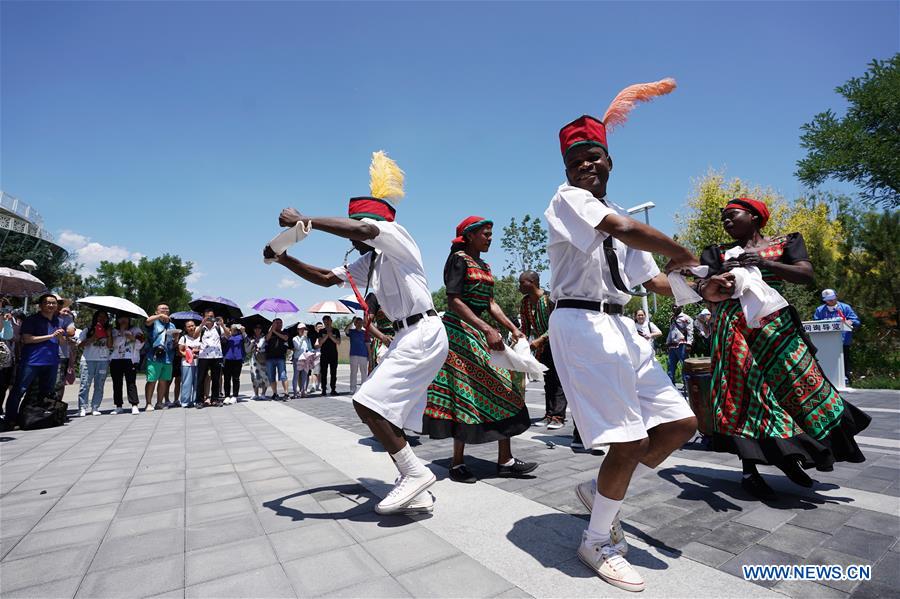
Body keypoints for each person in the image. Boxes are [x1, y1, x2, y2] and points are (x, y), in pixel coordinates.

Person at [546, 95, 699, 591]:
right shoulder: (568, 200)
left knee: (679, 424)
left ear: (610, 161)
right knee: (628, 440)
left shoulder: (612, 209)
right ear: (566, 169)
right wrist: (685, 253)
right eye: (575, 161)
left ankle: (599, 489)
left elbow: (651, 282)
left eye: (593, 157)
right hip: (580, 323)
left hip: (620, 327)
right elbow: (625, 229)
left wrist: (702, 285)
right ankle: (596, 541)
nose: (585, 165)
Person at [264, 150, 448, 515]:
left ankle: (415, 474)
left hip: (423, 330)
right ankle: (416, 487)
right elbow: (326, 278)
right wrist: (283, 256)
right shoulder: (371, 260)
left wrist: (305, 221)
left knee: (366, 402)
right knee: (381, 412)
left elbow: (363, 229)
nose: (350, 239)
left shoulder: (395, 236)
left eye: (354, 227)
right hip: (405, 335)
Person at [698, 198, 871, 499]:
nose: (725, 220)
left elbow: (805, 274)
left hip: (776, 327)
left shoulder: (785, 243)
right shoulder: (717, 252)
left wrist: (763, 263)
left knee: (799, 385)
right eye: (722, 217)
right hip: (734, 328)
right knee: (746, 396)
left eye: (732, 214)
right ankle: (750, 471)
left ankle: (794, 456)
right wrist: (715, 284)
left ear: (754, 216)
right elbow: (704, 291)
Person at [422, 217, 535, 484]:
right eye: (485, 234)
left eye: (491, 234)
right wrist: (486, 328)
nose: (490, 238)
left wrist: (512, 328)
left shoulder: (484, 265)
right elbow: (454, 301)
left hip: (478, 330)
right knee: (462, 392)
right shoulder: (458, 260)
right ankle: (457, 462)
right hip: (459, 333)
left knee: (507, 387)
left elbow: (491, 302)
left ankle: (505, 460)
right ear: (470, 235)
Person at [3, 294, 69, 429]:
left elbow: (62, 342)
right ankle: (10, 419)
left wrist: (60, 336)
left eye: (53, 303)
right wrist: (50, 336)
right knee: (19, 390)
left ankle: (38, 418)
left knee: (47, 392)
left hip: (51, 361)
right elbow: (26, 339)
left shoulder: (59, 321)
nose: (51, 305)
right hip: (32, 361)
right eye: (47, 303)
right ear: (40, 306)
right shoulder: (31, 320)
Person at [519, 270, 567, 431]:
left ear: (532, 282)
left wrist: (541, 339)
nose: (519, 286)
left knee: (558, 380)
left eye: (522, 282)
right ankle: (549, 414)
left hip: (557, 344)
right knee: (548, 381)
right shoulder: (525, 302)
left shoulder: (549, 299)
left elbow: (556, 324)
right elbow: (525, 327)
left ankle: (558, 416)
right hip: (542, 349)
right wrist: (520, 339)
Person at [813, 289, 861, 385]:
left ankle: (846, 379)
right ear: (824, 300)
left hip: (843, 342)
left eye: (832, 298)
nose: (831, 301)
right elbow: (815, 324)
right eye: (828, 299)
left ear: (836, 297)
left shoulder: (845, 307)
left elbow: (856, 321)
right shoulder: (820, 310)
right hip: (825, 343)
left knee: (844, 361)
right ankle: (826, 381)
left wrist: (850, 322)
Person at [76, 310, 113, 416]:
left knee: (99, 385)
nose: (102, 319)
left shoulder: (109, 330)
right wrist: (93, 338)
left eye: (104, 317)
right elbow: (79, 345)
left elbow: (110, 346)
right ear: (95, 318)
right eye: (99, 316)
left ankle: (95, 407)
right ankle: (82, 408)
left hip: (103, 361)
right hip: (88, 360)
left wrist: (109, 334)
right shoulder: (88, 329)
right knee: (85, 384)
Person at [144, 304, 176, 411]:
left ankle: (159, 402)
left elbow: (173, 342)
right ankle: (148, 403)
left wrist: (176, 338)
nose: (165, 310)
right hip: (154, 356)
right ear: (156, 312)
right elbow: (147, 321)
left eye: (167, 309)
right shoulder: (154, 322)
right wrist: (159, 316)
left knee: (163, 381)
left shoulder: (172, 325)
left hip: (168, 357)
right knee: (152, 380)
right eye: (162, 309)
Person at [110, 315, 144, 414]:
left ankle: (134, 404)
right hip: (116, 359)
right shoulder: (114, 331)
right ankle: (118, 405)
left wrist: (133, 338)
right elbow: (114, 345)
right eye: (121, 318)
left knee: (131, 382)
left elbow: (141, 343)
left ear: (129, 319)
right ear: (117, 320)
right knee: (117, 382)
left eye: (125, 318)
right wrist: (121, 332)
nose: (123, 320)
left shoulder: (136, 329)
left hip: (130, 359)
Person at [196, 312, 226, 407]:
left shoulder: (218, 327)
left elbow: (228, 335)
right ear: (204, 317)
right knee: (201, 379)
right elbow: (195, 335)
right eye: (207, 316)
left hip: (216, 356)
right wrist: (202, 324)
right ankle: (200, 401)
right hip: (203, 357)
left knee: (216, 379)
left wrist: (222, 325)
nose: (209, 318)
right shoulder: (202, 328)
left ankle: (215, 399)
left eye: (212, 316)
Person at [53, 298, 78, 404]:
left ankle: (56, 407)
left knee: (59, 383)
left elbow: (71, 331)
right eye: (56, 303)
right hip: (44, 354)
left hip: (61, 355)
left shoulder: (67, 319)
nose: (57, 305)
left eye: (60, 304)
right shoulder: (43, 316)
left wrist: (62, 334)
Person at [365, 294, 394, 374]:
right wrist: (383, 338)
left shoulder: (400, 296)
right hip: (383, 342)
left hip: (401, 340)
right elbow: (366, 322)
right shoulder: (374, 297)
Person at [178, 320, 202, 407]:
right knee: (186, 383)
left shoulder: (200, 337)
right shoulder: (183, 338)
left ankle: (195, 400)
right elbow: (180, 351)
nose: (191, 328)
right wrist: (190, 355)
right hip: (187, 364)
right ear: (186, 328)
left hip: (198, 363)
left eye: (193, 325)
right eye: (189, 326)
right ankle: (185, 401)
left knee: (197, 383)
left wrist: (197, 351)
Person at [665, 308, 693, 383]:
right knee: (670, 367)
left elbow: (690, 331)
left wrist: (689, 344)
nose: (674, 308)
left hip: (682, 345)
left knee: (684, 366)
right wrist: (667, 342)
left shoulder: (686, 318)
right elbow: (671, 331)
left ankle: (687, 386)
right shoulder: (672, 318)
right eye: (673, 306)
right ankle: (671, 386)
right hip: (671, 345)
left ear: (681, 306)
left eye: (676, 306)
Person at [265, 318, 290, 400]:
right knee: (271, 376)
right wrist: (272, 330)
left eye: (280, 323)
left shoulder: (284, 331)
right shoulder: (269, 333)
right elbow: (267, 339)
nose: (279, 324)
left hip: (280, 357)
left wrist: (275, 331)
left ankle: (286, 393)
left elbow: (285, 338)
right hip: (270, 358)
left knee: (283, 376)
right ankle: (274, 393)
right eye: (277, 323)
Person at [316, 315, 340, 396]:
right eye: (325, 322)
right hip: (324, 354)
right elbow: (320, 342)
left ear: (331, 321)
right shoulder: (321, 331)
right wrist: (327, 335)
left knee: (333, 373)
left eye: (328, 321)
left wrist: (331, 335)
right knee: (324, 372)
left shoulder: (336, 330)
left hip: (333, 354)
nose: (326, 323)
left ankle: (333, 389)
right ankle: (323, 389)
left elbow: (338, 342)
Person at [222, 323, 246, 403]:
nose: (234, 328)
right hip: (228, 359)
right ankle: (227, 395)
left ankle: (235, 396)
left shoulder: (241, 336)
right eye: (233, 327)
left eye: (236, 327)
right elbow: (225, 339)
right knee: (226, 378)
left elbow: (247, 342)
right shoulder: (227, 335)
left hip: (238, 359)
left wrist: (243, 331)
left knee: (236, 378)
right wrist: (223, 326)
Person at [246, 324, 269, 400]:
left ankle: (263, 393)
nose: (257, 330)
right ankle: (256, 394)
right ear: (253, 329)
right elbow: (248, 350)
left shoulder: (264, 338)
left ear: (261, 329)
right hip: (254, 360)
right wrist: (252, 344)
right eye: (256, 328)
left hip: (263, 360)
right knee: (254, 376)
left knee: (264, 377)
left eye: (259, 328)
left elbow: (268, 348)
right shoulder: (251, 339)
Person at [346, 317, 369, 393]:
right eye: (357, 322)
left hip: (363, 354)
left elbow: (367, 344)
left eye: (360, 322)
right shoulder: (351, 332)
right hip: (354, 354)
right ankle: (352, 389)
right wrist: (351, 321)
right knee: (353, 372)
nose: (359, 324)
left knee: (364, 373)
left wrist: (369, 354)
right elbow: (346, 330)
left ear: (362, 324)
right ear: (355, 324)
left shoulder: (365, 333)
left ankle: (363, 389)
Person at [291, 325, 315, 398]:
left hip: (306, 359)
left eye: (304, 329)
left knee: (305, 375)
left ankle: (303, 391)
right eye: (301, 329)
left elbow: (310, 348)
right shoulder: (295, 338)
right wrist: (302, 338)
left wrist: (312, 352)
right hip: (297, 359)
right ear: (298, 330)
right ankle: (295, 392)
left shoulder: (307, 339)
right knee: (296, 375)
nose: (303, 330)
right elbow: (297, 347)